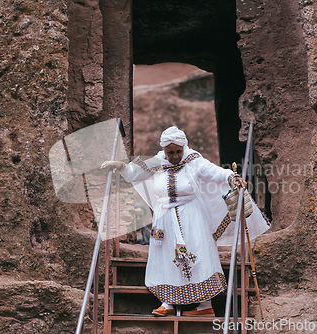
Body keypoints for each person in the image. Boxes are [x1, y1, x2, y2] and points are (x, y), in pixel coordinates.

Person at [101, 126, 269, 317]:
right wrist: (120, 166)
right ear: (164, 150)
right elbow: (134, 173)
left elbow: (214, 172)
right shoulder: (157, 162)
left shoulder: (194, 160)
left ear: (184, 147)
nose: (174, 156)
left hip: (192, 217)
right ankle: (167, 303)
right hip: (164, 219)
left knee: (197, 253)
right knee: (164, 255)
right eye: (170, 152)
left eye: (178, 151)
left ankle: (205, 306)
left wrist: (232, 177)